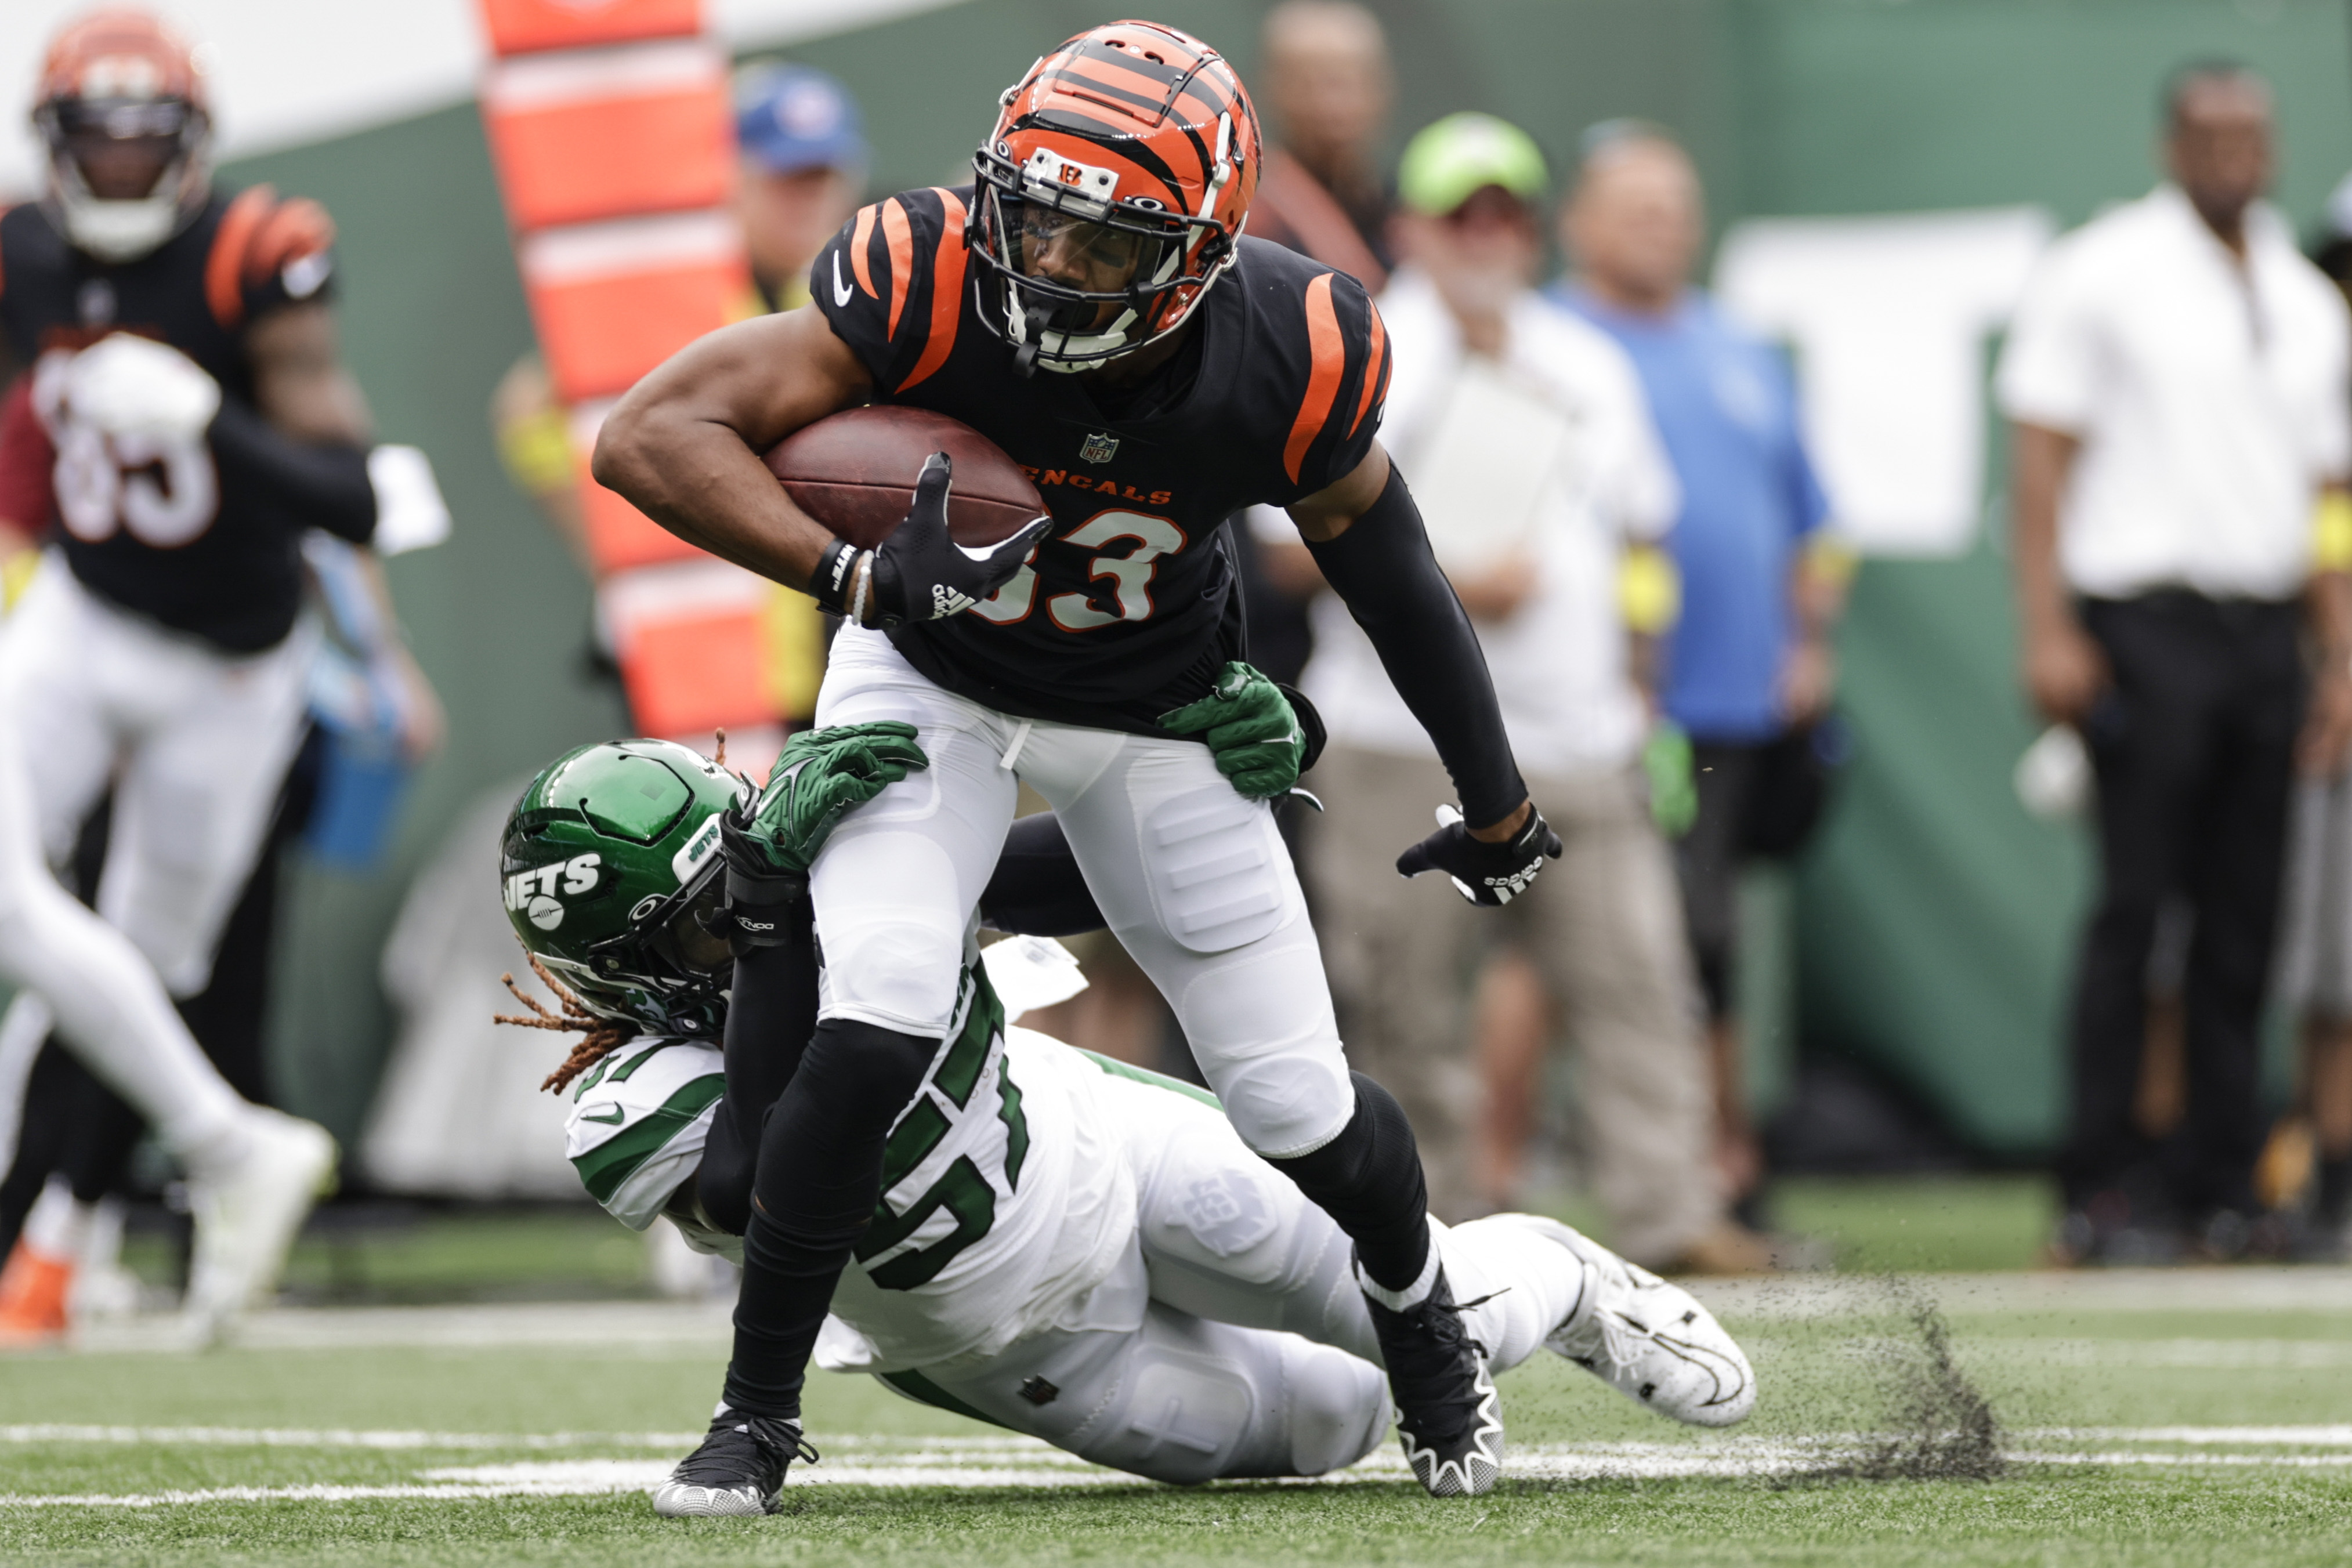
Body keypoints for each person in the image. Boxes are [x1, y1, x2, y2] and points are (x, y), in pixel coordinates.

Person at [594, 21, 1562, 1501]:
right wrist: (848, 574)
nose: (1050, 262)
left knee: (1296, 1104)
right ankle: (756, 1413)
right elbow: (650, 434)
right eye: (1033, 216)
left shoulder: (1292, 344)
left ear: (1199, 253)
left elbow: (1393, 562)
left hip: (1155, 711)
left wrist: (1493, 795)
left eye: (1105, 245)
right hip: (933, 675)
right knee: (885, 1010)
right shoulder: (920, 275)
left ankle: (1420, 1311)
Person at [491, 734, 1753, 1509]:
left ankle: (1558, 1273)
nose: (761, 907)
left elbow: (1091, 871)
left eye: (748, 877)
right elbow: (758, 1176)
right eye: (717, 911)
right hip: (1003, 1336)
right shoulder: (625, 1099)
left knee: (1438, 1325)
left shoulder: (833, 902)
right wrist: (768, 938)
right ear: (632, 968)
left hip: (1109, 1151)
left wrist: (1215, 807)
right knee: (1334, 1427)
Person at [0, 8, 397, 1341]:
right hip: (79, 613)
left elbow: (352, 499)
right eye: (92, 144)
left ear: (190, 145)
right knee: (18, 907)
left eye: (140, 142)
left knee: (137, 966)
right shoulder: (22, 252)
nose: (116, 168)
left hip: (232, 663)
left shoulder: (253, 256)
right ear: (54, 148)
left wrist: (205, 414)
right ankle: (227, 1148)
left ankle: (59, 1242)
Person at [1297, 114, 1744, 1273]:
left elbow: (1642, 538)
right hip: (1400, 738)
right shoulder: (1363, 348)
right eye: (1464, 211)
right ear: (1414, 227)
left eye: (1508, 211)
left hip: (1579, 737)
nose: (1488, 233)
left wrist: (1642, 690)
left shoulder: (1584, 358)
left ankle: (1669, 1214)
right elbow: (1278, 542)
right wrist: (1432, 573)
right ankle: (1423, 1231)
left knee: (1639, 982)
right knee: (1401, 1002)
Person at [1998, 61, 2352, 1262]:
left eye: (2249, 133)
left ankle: (2217, 1180)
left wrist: (2339, 655)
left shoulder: (2303, 299)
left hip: (2264, 633)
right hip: (2141, 620)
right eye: (2208, 134)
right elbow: (2039, 459)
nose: (2232, 155)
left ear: (2273, 145)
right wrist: (2046, 626)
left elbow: (2322, 501)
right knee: (2135, 912)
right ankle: (2101, 1184)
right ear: (2169, 143)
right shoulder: (2103, 272)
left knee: (2243, 921)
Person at [1553, 122, 1846, 1223]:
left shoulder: (1737, 348)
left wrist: (1806, 641)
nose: (1660, 230)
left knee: (1703, 938)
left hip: (1734, 710)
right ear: (1578, 222)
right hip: (1597, 711)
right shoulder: (1555, 344)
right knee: (1548, 947)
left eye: (1674, 209)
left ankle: (1721, 1166)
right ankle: (1492, 1171)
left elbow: (1819, 523)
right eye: (1635, 210)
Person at [489, 61, 868, 726]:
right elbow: (528, 415)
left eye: (821, 180)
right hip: (708, 661)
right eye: (784, 182)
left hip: (820, 650)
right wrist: (626, 555)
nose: (805, 203)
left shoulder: (840, 290)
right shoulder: (674, 291)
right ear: (732, 180)